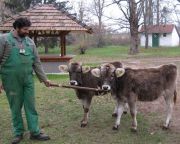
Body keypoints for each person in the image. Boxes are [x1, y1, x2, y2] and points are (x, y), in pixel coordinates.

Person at [0, 17, 53, 144]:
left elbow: (36, 62)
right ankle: (18, 133)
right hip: (11, 80)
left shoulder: (30, 42)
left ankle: (35, 132)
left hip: (28, 79)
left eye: (28, 29)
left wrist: (44, 79)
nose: (27, 31)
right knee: (15, 107)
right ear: (16, 28)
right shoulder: (3, 39)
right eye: (25, 29)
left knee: (31, 105)